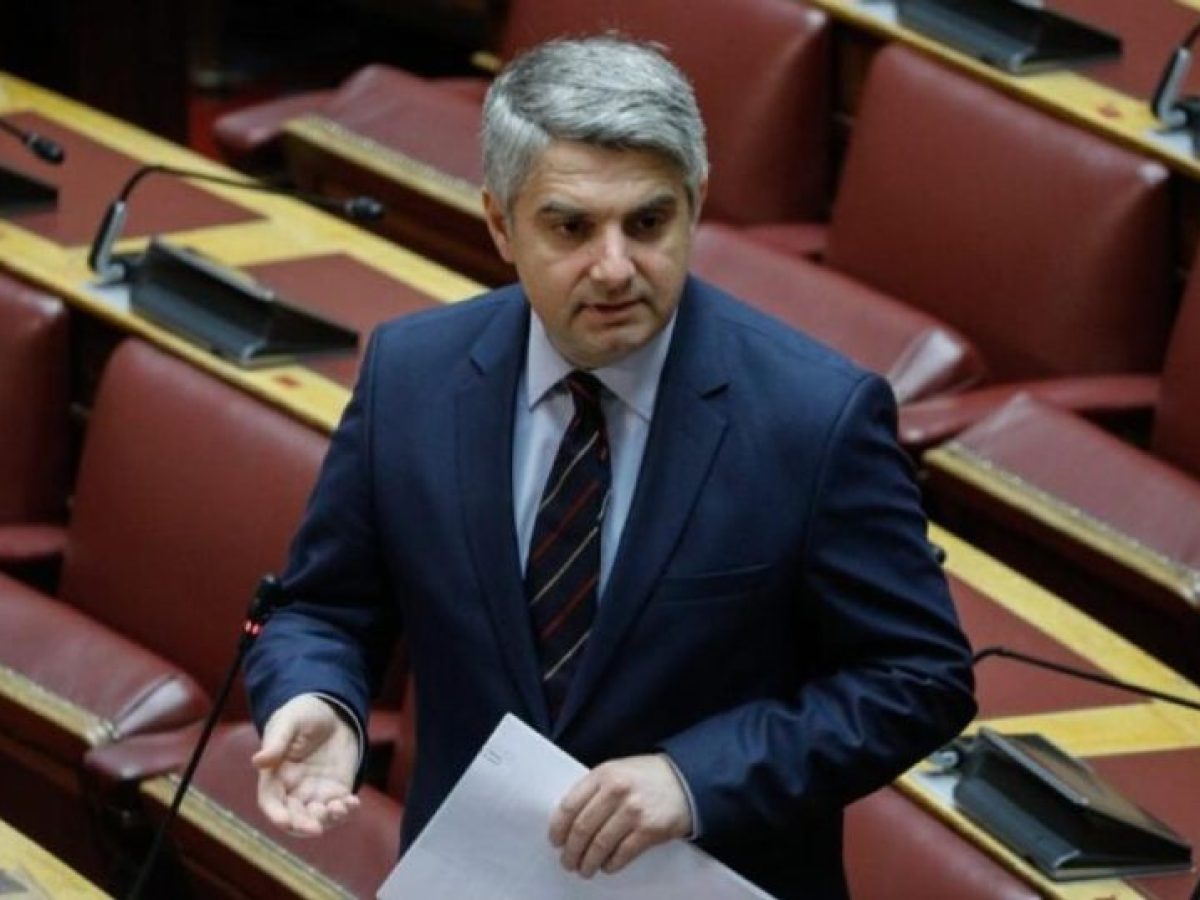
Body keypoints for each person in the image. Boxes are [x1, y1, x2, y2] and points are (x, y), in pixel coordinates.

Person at [244, 34, 976, 900]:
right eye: (571, 227)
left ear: (695, 204)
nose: (616, 267)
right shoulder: (413, 376)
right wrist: (319, 699)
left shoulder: (814, 419)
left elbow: (918, 676)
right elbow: (323, 607)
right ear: (500, 224)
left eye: (649, 222)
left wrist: (695, 779)